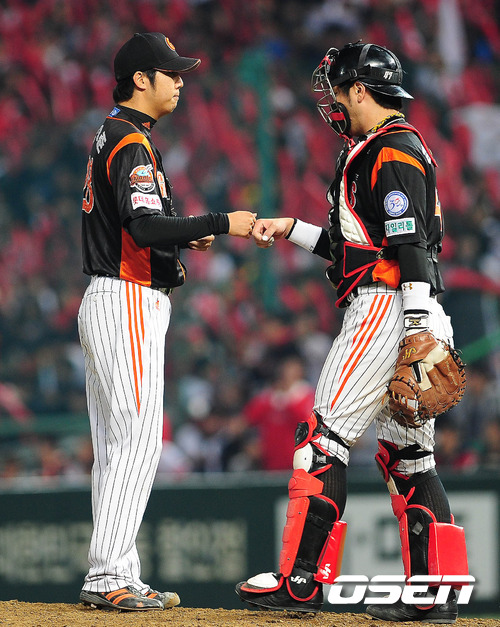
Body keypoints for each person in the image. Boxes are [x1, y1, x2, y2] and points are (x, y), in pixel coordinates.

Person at [235, 42, 469, 623]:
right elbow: (353, 249)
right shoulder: (386, 146)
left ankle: (300, 582)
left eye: (337, 91)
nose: (333, 103)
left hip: (391, 310)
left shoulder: (389, 151)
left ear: (359, 90)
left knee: (322, 441)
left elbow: (409, 247)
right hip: (408, 306)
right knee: (409, 458)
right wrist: (289, 228)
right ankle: (434, 593)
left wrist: (414, 327)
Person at [77, 32, 256, 612]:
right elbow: (145, 227)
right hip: (127, 300)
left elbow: (142, 226)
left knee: (116, 445)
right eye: (170, 73)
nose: (180, 82)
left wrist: (182, 236)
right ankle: (108, 574)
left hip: (109, 297)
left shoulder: (114, 131)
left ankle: (115, 571)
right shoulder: (131, 140)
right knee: (137, 441)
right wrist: (221, 221)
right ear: (140, 80)